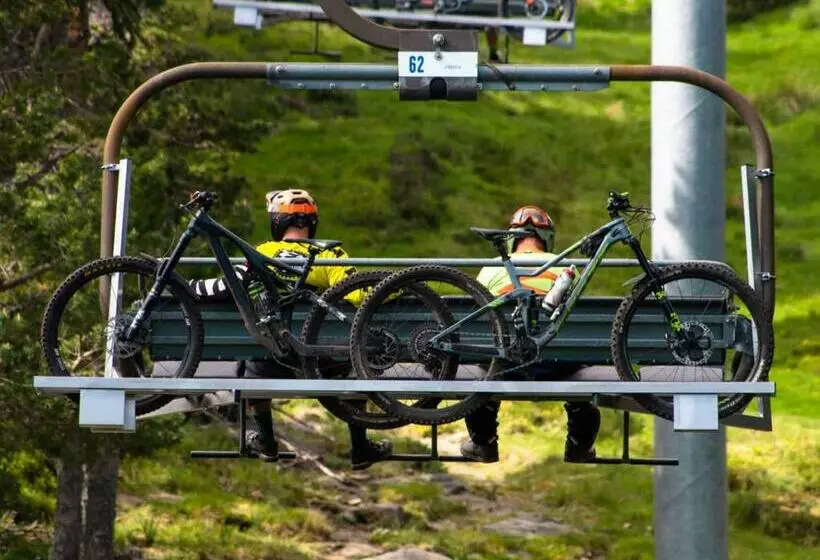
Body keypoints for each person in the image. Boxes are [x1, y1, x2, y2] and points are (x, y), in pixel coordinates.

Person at [190, 189, 392, 470]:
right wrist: (401, 289)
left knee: (251, 365)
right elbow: (361, 294)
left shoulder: (263, 253)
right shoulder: (330, 254)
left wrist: (188, 288)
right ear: (312, 223)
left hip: (271, 363)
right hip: (324, 364)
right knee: (353, 371)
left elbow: (226, 287)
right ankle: (360, 447)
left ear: (277, 222)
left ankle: (266, 440)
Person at [459, 204, 601, 463]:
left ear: (513, 239)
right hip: (558, 361)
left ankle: (484, 442)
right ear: (547, 238)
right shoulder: (565, 268)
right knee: (582, 388)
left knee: (485, 371)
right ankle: (579, 445)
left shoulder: (490, 268)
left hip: (503, 362)